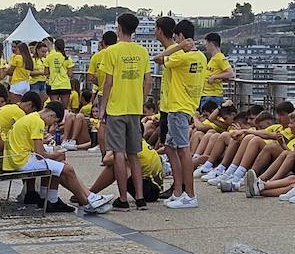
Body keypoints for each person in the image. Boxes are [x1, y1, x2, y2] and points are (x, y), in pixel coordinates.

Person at [2, 100, 113, 214]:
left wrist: (54, 154)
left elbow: (35, 148)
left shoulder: (31, 117)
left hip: (16, 158)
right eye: (54, 122)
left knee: (60, 163)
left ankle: (55, 199)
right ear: (52, 115)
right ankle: (87, 201)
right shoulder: (38, 122)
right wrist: (57, 154)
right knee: (67, 169)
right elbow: (41, 155)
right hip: (22, 161)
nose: (51, 125)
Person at [93, 13, 152, 209]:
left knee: (118, 153)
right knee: (134, 153)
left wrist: (102, 108)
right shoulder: (142, 51)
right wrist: (141, 100)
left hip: (116, 108)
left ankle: (123, 198)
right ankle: (140, 198)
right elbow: (148, 81)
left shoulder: (111, 51)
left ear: (119, 28)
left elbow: (108, 83)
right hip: (134, 108)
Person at [153, 18, 204, 207]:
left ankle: (190, 195)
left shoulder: (181, 56)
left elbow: (158, 58)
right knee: (170, 147)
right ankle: (178, 192)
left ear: (181, 36)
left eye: (177, 38)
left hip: (177, 106)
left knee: (183, 150)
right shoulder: (201, 57)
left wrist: (178, 47)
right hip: (186, 106)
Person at [201, 33, 233, 108]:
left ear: (211, 44)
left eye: (206, 44)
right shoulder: (214, 58)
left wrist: (214, 77)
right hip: (208, 95)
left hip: (213, 95)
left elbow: (230, 73)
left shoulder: (219, 57)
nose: (206, 46)